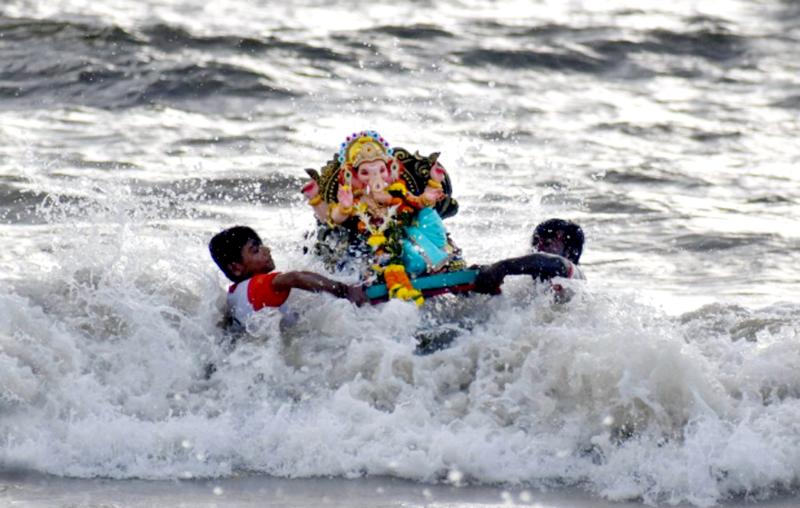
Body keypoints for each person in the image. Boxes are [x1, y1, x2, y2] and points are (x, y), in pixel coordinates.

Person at [209, 226, 365, 325]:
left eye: (262, 245)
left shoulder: (234, 295)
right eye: (255, 250)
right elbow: (295, 277)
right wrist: (344, 291)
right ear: (236, 268)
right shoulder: (257, 286)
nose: (267, 250)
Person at [473, 218, 585, 300]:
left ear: (569, 253)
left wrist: (502, 267)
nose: (537, 248)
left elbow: (556, 263)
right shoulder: (531, 286)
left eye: (547, 243)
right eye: (535, 243)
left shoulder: (576, 276)